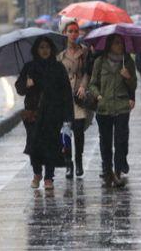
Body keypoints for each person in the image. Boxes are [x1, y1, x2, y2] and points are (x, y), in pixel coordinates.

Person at [15, 37, 74, 190]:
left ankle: (49, 177)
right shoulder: (29, 67)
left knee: (51, 146)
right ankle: (37, 173)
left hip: (53, 113)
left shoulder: (58, 67)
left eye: (47, 47)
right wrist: (26, 85)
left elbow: (66, 92)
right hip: (33, 114)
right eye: (41, 47)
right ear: (36, 49)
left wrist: (68, 116)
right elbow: (20, 89)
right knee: (33, 146)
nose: (45, 50)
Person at [89, 34, 137, 187]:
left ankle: (117, 172)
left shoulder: (128, 62)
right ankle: (107, 172)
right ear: (109, 44)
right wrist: (98, 96)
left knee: (121, 141)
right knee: (105, 142)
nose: (119, 46)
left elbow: (133, 85)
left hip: (122, 107)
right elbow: (93, 84)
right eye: (116, 43)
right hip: (104, 108)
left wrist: (128, 76)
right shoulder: (99, 62)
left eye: (121, 43)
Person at [58, 21, 90, 178]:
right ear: (64, 33)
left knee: (78, 131)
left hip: (78, 97)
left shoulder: (84, 51)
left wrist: (83, 86)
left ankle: (79, 162)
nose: (73, 34)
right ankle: (68, 163)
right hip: (63, 98)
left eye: (76, 31)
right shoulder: (59, 54)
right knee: (65, 131)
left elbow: (87, 72)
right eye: (70, 31)